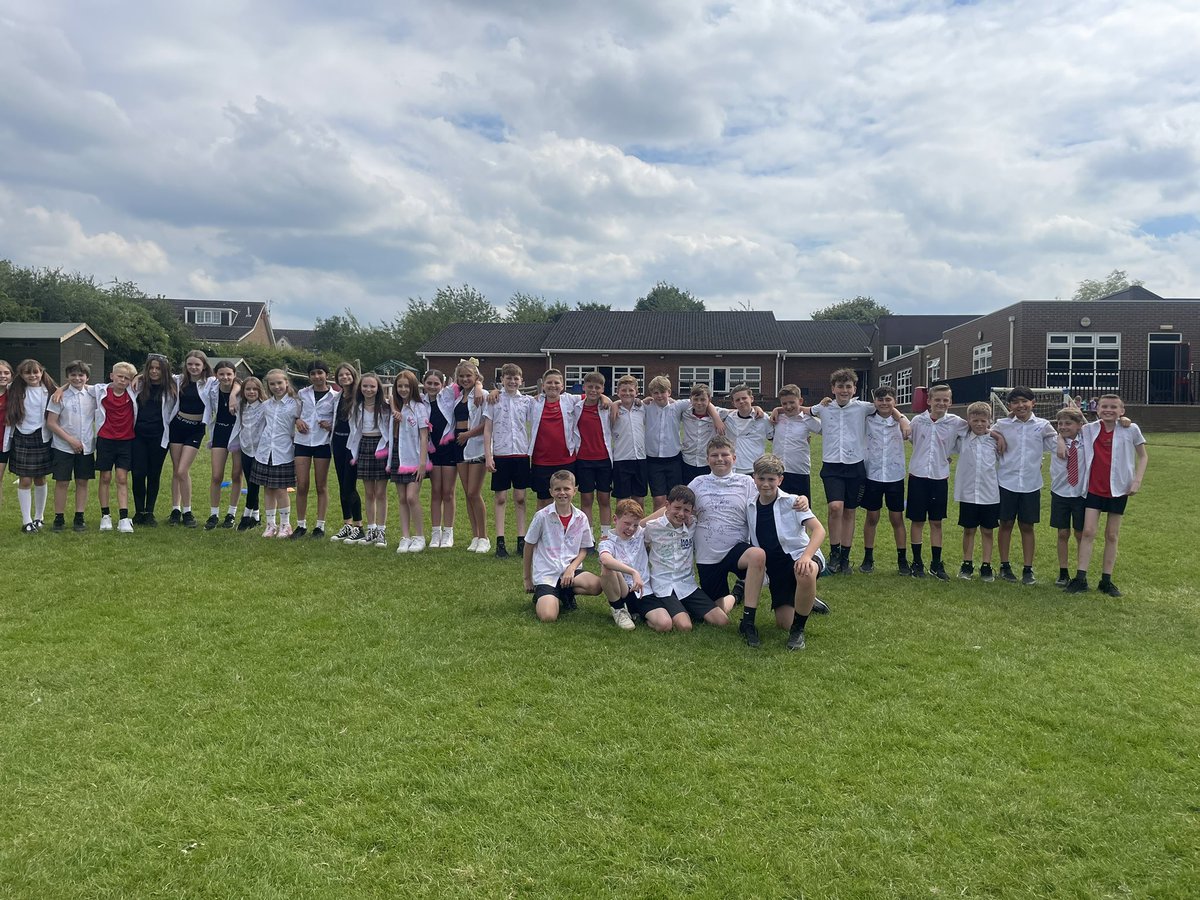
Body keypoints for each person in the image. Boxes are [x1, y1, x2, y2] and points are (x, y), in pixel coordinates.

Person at [809, 368, 909, 575]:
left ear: (854, 389)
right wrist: (777, 411)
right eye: (840, 386)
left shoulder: (864, 407)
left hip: (855, 466)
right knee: (835, 507)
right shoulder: (825, 407)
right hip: (832, 466)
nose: (844, 390)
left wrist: (901, 417)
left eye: (848, 387)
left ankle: (845, 558)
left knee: (849, 511)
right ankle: (834, 553)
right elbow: (802, 410)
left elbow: (888, 406)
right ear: (833, 388)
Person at [685, 436, 769, 645]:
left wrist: (799, 500)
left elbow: (772, 497)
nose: (720, 459)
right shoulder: (698, 483)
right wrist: (641, 524)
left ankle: (748, 622)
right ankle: (738, 593)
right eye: (714, 455)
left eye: (724, 455)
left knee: (757, 555)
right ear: (707, 459)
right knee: (718, 613)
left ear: (734, 457)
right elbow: (675, 505)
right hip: (708, 556)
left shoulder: (746, 482)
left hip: (736, 550)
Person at [1065, 395, 1148, 597]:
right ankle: (1081, 578)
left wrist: (1137, 480)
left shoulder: (1131, 429)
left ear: (1122, 410)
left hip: (1119, 489)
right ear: (1097, 408)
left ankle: (1106, 580)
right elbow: (1066, 432)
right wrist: (1060, 440)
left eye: (1113, 407)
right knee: (1088, 532)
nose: (1108, 410)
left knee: (1112, 535)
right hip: (1094, 488)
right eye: (1104, 406)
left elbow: (1143, 456)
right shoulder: (1089, 429)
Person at [745, 454, 827, 651]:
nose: (766, 484)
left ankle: (798, 632)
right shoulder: (749, 505)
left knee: (805, 571)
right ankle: (807, 598)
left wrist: (807, 556)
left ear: (780, 480)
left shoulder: (793, 501)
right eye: (761, 478)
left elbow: (819, 530)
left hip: (800, 555)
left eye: (771, 479)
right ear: (754, 478)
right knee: (783, 623)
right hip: (777, 567)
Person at [638, 484, 732, 632]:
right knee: (685, 626)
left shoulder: (693, 525)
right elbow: (634, 540)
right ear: (667, 505)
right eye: (677, 508)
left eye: (686, 510)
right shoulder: (652, 528)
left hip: (687, 584)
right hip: (664, 585)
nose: (681, 514)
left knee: (722, 621)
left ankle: (736, 595)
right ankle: (653, 614)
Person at [992, 386, 1057, 584]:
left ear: (1033, 403)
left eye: (1024, 401)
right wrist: (997, 436)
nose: (1021, 405)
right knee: (1006, 524)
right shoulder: (1002, 424)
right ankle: (1005, 566)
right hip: (1006, 482)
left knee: (1027, 526)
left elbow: (1061, 437)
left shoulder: (1043, 425)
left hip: (1031, 484)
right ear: (1010, 405)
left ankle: (1028, 569)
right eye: (1016, 402)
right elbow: (980, 429)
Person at [522, 469, 604, 623]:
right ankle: (544, 595)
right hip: (547, 573)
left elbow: (584, 548)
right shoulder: (542, 516)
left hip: (570, 572)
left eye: (566, 489)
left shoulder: (581, 517)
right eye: (557, 489)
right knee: (548, 616)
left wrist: (572, 568)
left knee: (597, 585)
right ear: (551, 492)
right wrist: (527, 578)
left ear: (575, 490)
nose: (562, 493)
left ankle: (566, 593)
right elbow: (529, 545)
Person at [905, 384, 968, 580]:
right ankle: (917, 562)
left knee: (936, 522)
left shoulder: (957, 423)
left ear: (950, 402)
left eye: (945, 400)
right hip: (917, 476)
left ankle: (936, 563)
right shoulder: (917, 421)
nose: (941, 403)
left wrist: (997, 435)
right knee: (917, 521)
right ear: (929, 401)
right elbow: (913, 440)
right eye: (937, 399)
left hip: (939, 478)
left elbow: (977, 429)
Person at [644, 375, 719, 510]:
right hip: (653, 460)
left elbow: (703, 401)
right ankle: (658, 527)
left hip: (674, 460)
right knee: (659, 498)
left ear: (669, 392)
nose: (659, 395)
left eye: (663, 392)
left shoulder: (678, 406)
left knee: (676, 497)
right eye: (656, 393)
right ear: (651, 394)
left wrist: (716, 418)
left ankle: (676, 525)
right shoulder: (646, 407)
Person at [484, 362, 534, 559]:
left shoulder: (527, 402)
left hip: (521, 454)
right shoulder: (494, 400)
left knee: (520, 498)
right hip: (501, 454)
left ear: (521, 381)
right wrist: (488, 455)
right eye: (508, 378)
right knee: (501, 498)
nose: (512, 381)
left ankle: (521, 539)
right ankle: (500, 540)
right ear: (502, 380)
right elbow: (488, 429)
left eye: (516, 378)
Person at [860, 386, 909, 574]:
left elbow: (921, 440)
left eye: (888, 399)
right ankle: (868, 557)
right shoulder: (867, 420)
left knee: (897, 518)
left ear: (894, 401)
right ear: (875, 402)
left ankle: (902, 559)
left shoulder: (902, 422)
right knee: (872, 516)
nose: (884, 403)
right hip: (872, 475)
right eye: (880, 400)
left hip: (895, 476)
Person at [46, 359, 98, 533]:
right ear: (67, 377)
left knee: (82, 482)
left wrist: (80, 443)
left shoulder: (93, 394)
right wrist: (70, 440)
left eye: (81, 375)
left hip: (86, 446)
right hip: (63, 446)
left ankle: (79, 517)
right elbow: (51, 423)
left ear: (87, 377)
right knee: (62, 482)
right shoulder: (59, 396)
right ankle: (59, 518)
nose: (77, 378)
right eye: (73, 375)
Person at [381, 370, 430, 553]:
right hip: (397, 456)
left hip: (415, 457)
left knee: (411, 497)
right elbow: (389, 399)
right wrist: (394, 408)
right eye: (400, 386)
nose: (403, 389)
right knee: (402, 498)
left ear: (413, 387)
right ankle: (405, 536)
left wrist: (422, 463)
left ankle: (419, 536)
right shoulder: (394, 406)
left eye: (407, 386)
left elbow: (424, 436)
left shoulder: (419, 407)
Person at [6, 359, 57, 532]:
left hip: (42, 436)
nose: (33, 375)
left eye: (36, 372)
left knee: (40, 478)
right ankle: (26, 520)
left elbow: (67, 389)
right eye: (28, 373)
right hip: (22, 436)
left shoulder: (50, 389)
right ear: (21, 375)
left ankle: (39, 517)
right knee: (25, 479)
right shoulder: (13, 389)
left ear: (42, 372)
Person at [953, 401, 1001, 581]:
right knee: (969, 530)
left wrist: (996, 435)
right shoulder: (963, 438)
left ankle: (986, 565)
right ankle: (967, 564)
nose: (979, 424)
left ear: (989, 421)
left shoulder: (994, 441)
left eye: (983, 420)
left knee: (988, 531)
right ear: (969, 420)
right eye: (975, 420)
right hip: (968, 494)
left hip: (989, 494)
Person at [167, 350, 215, 528]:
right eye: (190, 364)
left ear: (203, 366)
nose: (193, 367)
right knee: (176, 470)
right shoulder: (178, 380)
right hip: (177, 426)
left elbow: (234, 383)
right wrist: (137, 378)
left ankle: (187, 511)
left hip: (196, 429)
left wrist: (233, 395)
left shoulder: (210, 382)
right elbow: (154, 373)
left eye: (197, 364)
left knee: (182, 470)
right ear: (186, 366)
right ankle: (175, 509)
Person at [250, 369, 300, 538]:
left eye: (280, 383)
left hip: (284, 451)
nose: (277, 387)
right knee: (268, 488)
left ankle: (285, 525)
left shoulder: (295, 404)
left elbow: (300, 424)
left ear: (286, 383)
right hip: (265, 451)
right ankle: (270, 525)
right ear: (268, 386)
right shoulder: (266, 405)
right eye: (272, 384)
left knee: (281, 489)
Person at [90, 362, 139, 533]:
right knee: (105, 477)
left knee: (122, 478)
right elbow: (78, 384)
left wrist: (138, 376)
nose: (122, 380)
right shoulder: (99, 390)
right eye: (120, 376)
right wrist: (61, 388)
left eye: (127, 378)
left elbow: (148, 377)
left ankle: (124, 518)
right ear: (112, 376)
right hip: (105, 440)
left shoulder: (133, 392)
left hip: (126, 441)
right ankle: (105, 516)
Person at [291, 360, 337, 539]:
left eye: (320, 373)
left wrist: (330, 426)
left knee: (321, 485)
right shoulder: (303, 393)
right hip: (302, 442)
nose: (317, 377)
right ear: (309, 376)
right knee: (302, 485)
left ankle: (320, 525)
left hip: (322, 443)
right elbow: (294, 414)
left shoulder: (335, 396)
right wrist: (297, 421)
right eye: (313, 374)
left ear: (326, 374)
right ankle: (301, 525)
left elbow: (339, 419)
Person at [130, 353, 176, 526]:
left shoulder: (172, 386)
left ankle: (149, 512)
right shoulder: (139, 385)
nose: (154, 371)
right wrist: (139, 376)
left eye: (158, 368)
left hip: (159, 437)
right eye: (151, 368)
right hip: (138, 436)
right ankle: (138, 511)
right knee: (138, 473)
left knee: (154, 474)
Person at [528, 368, 580, 512]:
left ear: (562, 386)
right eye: (549, 382)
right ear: (543, 385)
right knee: (543, 500)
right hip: (541, 460)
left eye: (556, 382)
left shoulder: (570, 400)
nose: (553, 385)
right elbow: (512, 397)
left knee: (564, 499)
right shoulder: (534, 402)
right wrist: (492, 391)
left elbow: (592, 395)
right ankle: (543, 532)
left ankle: (564, 532)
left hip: (566, 460)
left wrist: (605, 397)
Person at [347, 372, 390, 547]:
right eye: (365, 386)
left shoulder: (386, 406)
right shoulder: (356, 407)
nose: (368, 389)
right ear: (360, 388)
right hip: (364, 445)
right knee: (369, 492)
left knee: (380, 493)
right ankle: (371, 530)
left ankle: (381, 531)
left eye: (372, 386)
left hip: (380, 446)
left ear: (378, 388)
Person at [572, 371, 615, 546]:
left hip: (604, 460)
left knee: (604, 499)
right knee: (586, 499)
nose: (593, 390)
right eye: (590, 387)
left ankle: (605, 537)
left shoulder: (607, 406)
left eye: (597, 387)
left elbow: (617, 403)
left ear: (603, 389)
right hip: (583, 460)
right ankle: (588, 538)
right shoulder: (576, 406)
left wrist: (606, 399)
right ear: (584, 387)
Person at [453, 359, 489, 553]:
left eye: (469, 376)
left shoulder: (481, 395)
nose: (465, 379)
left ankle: (484, 536)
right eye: (462, 376)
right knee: (468, 494)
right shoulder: (458, 397)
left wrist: (468, 434)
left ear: (476, 377)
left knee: (475, 492)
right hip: (459, 446)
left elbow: (487, 423)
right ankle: (475, 536)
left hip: (476, 446)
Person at [1049, 407, 1087, 587]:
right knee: (1063, 533)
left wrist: (1124, 420)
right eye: (1060, 424)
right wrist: (1059, 439)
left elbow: (1106, 424)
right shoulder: (1053, 440)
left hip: (1081, 494)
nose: (1063, 427)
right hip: (1060, 493)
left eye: (1068, 423)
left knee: (1081, 534)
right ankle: (1063, 571)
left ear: (1079, 425)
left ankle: (1081, 572)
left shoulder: (1088, 440)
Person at [597, 498, 647, 631]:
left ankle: (634, 611)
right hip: (623, 590)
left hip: (643, 590)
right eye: (627, 523)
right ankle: (618, 609)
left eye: (635, 525)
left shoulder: (640, 533)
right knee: (607, 567)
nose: (631, 529)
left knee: (661, 622)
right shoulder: (607, 542)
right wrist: (633, 572)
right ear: (615, 519)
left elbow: (666, 510)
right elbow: (606, 559)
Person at [204, 360, 243, 529]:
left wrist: (234, 395)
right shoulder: (212, 388)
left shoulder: (241, 390)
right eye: (221, 374)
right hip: (219, 432)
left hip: (237, 434)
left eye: (229, 374)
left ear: (234, 375)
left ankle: (231, 514)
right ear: (216, 375)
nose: (225, 377)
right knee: (216, 476)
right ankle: (213, 514)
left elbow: (242, 385)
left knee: (236, 475)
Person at [328, 363, 364, 543]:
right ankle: (347, 523)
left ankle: (359, 526)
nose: (344, 377)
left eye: (347, 374)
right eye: (341, 375)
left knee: (350, 485)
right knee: (342, 485)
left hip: (353, 444)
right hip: (338, 442)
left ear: (353, 375)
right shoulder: (337, 396)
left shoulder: (360, 395)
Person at [424, 368, 459, 548]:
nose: (432, 386)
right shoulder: (420, 402)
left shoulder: (447, 397)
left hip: (449, 449)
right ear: (424, 384)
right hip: (432, 450)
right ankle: (436, 531)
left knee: (449, 492)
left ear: (442, 384)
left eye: (436, 383)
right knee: (436, 491)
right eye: (429, 383)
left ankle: (448, 532)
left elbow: (471, 378)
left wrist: (477, 386)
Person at [771, 384, 821, 502]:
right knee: (779, 508)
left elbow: (829, 431)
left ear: (800, 401)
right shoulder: (777, 418)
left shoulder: (807, 419)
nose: (788, 407)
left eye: (792, 402)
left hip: (799, 471)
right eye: (784, 404)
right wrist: (776, 410)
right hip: (778, 471)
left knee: (801, 508)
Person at [230, 376, 265, 531]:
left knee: (254, 484)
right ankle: (256, 517)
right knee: (250, 481)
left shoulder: (266, 406)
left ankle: (246, 516)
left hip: (261, 450)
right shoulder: (240, 406)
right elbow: (235, 383)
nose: (251, 392)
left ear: (260, 390)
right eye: (248, 389)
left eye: (254, 389)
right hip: (246, 449)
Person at [609, 374, 647, 506]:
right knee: (622, 499)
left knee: (639, 498)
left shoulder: (642, 408)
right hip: (621, 459)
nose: (627, 393)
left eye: (631, 390)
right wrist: (615, 403)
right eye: (624, 390)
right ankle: (621, 525)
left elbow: (655, 400)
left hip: (640, 458)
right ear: (618, 392)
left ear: (636, 392)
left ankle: (638, 526)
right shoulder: (612, 409)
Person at [721, 384, 771, 475]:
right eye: (737, 400)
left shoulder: (763, 418)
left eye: (744, 398)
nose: (741, 401)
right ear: (733, 403)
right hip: (732, 469)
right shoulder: (727, 418)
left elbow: (774, 438)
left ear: (751, 398)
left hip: (755, 468)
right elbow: (708, 407)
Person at [680, 383, 725, 484]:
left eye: (703, 399)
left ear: (709, 399)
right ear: (690, 399)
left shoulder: (719, 413)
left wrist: (757, 408)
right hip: (687, 460)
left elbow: (738, 412)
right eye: (696, 399)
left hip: (707, 462)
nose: (699, 403)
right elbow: (667, 400)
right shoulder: (685, 412)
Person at [0, 359, 10, 512]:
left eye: (6, 373)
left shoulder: (15, 391)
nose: (2, 376)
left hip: (4, 443)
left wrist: (61, 389)